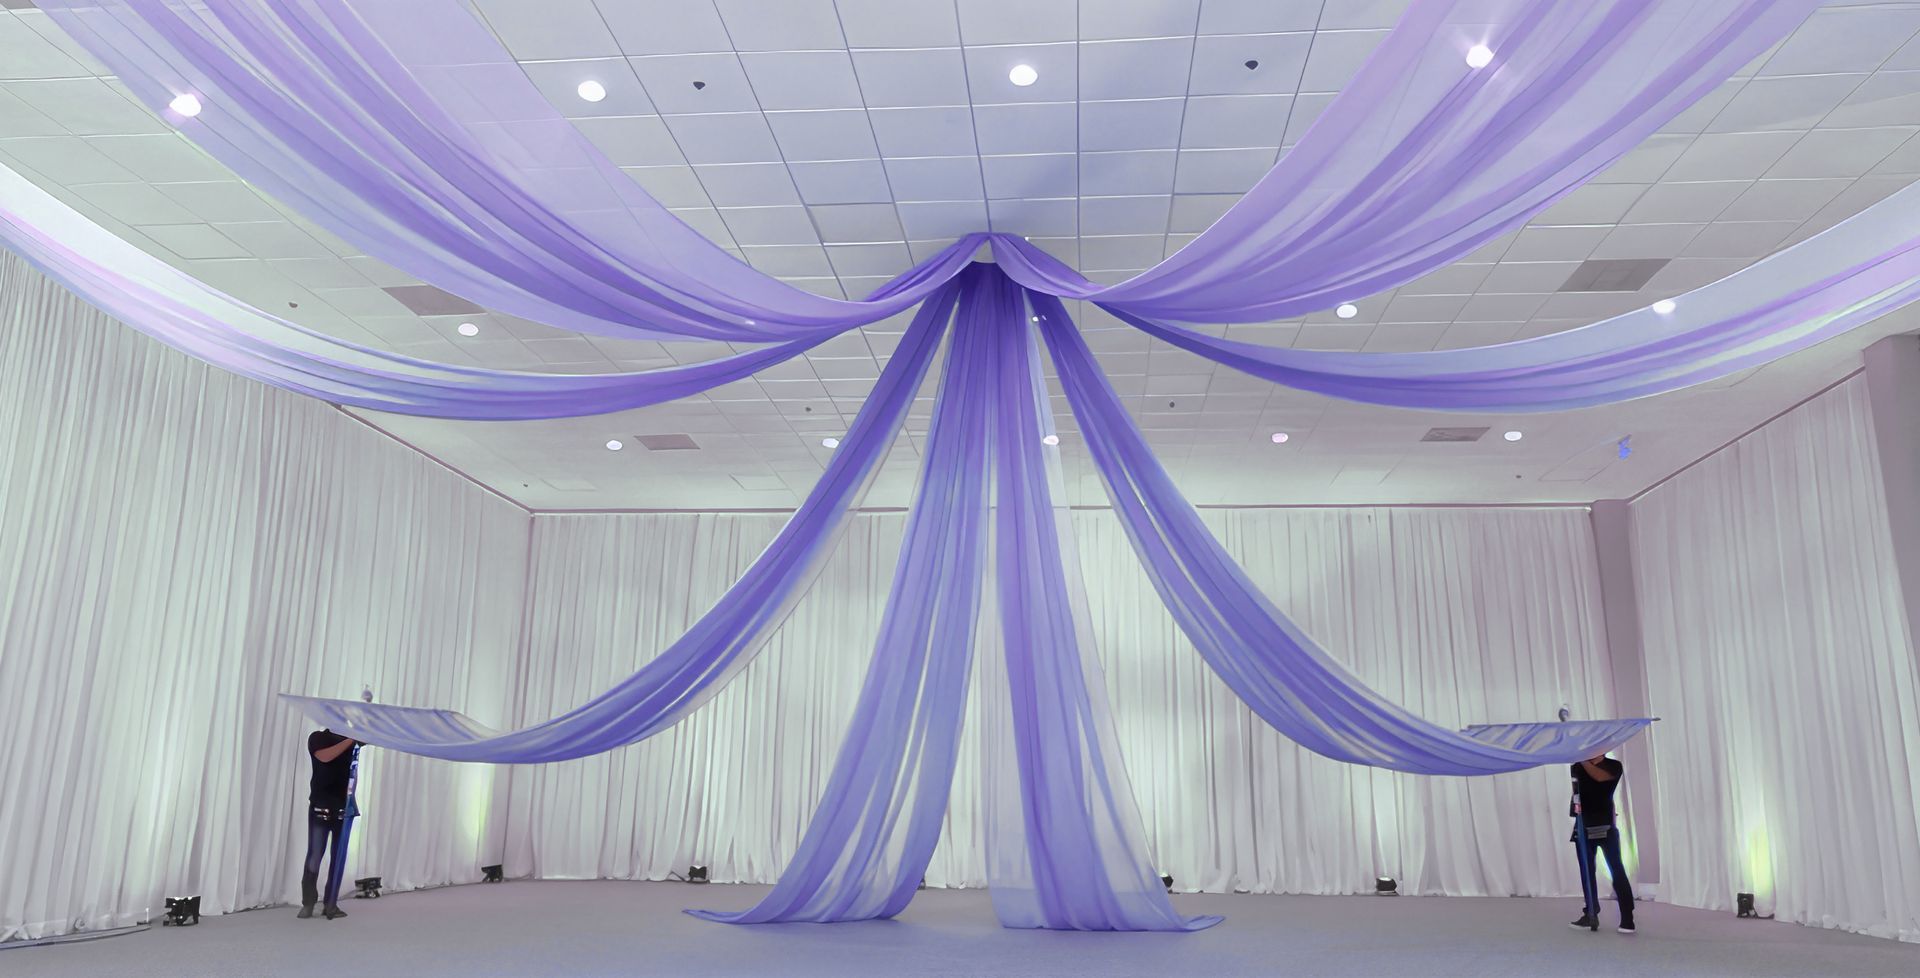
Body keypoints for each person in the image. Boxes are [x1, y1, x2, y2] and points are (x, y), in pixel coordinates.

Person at [1568, 752, 1635, 934]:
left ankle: (1627, 919)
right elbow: (1578, 793)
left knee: (1617, 870)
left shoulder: (1614, 765)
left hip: (1605, 826)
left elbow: (1600, 778)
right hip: (1583, 827)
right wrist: (1575, 810)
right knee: (1587, 873)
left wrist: (1582, 760)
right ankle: (1591, 914)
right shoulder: (1576, 767)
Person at [301, 728, 358, 920]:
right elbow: (325, 757)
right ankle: (308, 903)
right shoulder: (318, 737)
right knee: (314, 856)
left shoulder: (352, 741)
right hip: (320, 806)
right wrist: (352, 739)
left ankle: (331, 905)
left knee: (338, 858)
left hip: (344, 808)